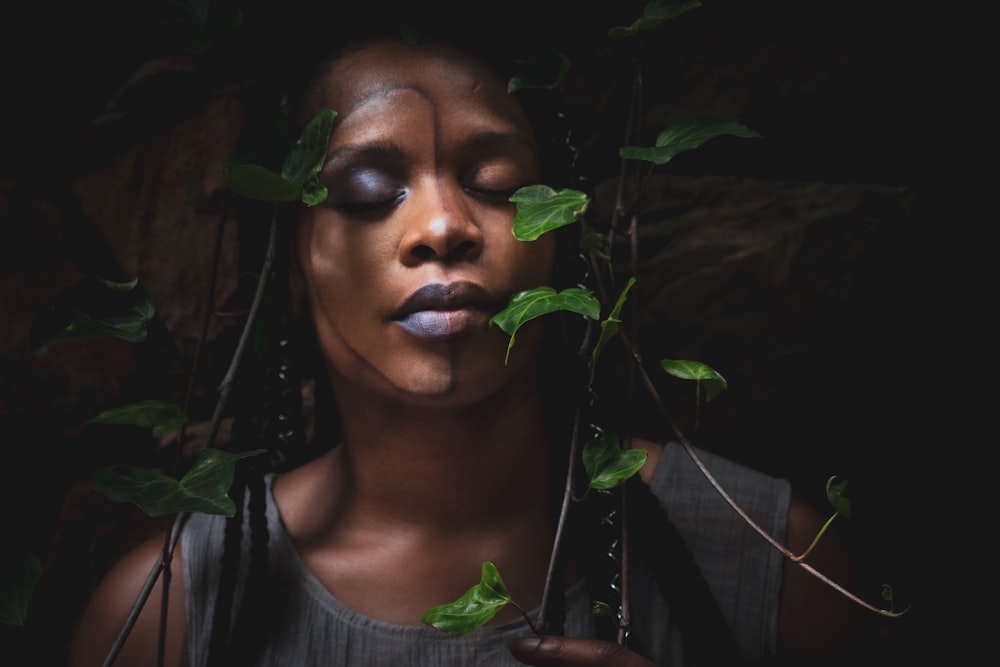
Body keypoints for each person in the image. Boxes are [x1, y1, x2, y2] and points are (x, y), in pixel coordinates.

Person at [67, 5, 867, 666]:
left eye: (498, 186)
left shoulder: (776, 564)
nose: (443, 224)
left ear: (563, 232)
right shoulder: (165, 617)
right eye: (370, 192)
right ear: (291, 257)